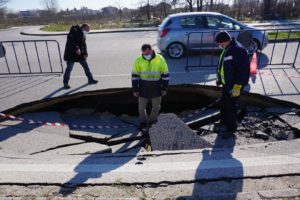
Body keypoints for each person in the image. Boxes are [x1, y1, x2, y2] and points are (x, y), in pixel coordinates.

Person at [215, 31, 250, 138]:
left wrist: (237, 88)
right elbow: (223, 66)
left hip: (235, 86)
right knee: (223, 103)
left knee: (230, 106)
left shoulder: (238, 51)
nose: (219, 46)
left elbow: (243, 72)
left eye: (220, 43)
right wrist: (220, 80)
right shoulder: (227, 48)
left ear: (226, 40)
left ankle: (231, 127)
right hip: (227, 84)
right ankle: (223, 122)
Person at [131, 44, 170, 129]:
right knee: (141, 108)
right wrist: (135, 89)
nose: (146, 55)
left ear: (152, 51)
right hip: (143, 88)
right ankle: (143, 121)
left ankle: (152, 121)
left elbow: (165, 74)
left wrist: (165, 88)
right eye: (144, 54)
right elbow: (134, 75)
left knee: (156, 107)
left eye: (148, 53)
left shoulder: (160, 59)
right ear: (142, 52)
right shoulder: (138, 60)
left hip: (156, 88)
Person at [63, 23, 98, 89]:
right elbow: (71, 41)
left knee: (86, 67)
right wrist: (76, 48)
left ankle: (90, 79)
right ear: (83, 27)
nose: (88, 31)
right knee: (69, 69)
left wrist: (85, 53)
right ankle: (65, 83)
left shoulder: (83, 34)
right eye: (88, 29)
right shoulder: (74, 30)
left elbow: (84, 45)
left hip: (80, 54)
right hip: (71, 54)